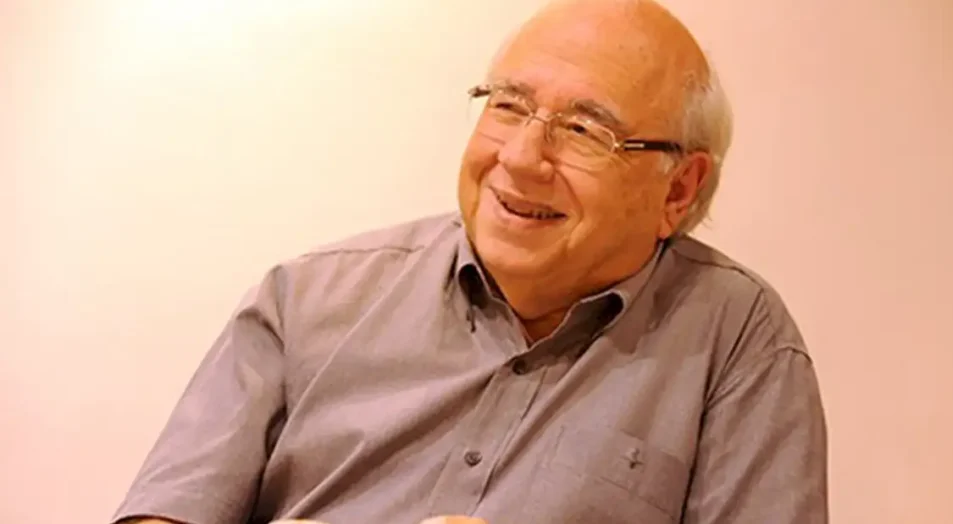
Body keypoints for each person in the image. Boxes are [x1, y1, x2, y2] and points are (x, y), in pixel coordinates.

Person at [114, 0, 828, 523]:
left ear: (678, 189)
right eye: (509, 107)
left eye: (584, 130)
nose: (520, 158)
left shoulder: (738, 341)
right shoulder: (305, 299)